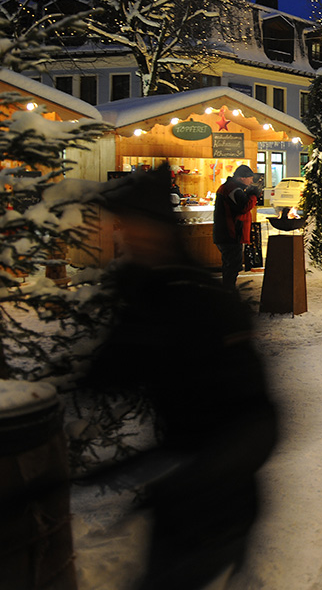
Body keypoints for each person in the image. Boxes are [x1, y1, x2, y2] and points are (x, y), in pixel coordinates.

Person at [86, 164, 278, 590]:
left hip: (218, 497)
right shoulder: (152, 293)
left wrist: (203, 475)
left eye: (132, 226)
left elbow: (261, 415)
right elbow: (106, 375)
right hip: (185, 490)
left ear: (157, 229)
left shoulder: (205, 302)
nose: (126, 237)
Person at [212, 164, 261, 292]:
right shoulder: (233, 189)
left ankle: (228, 291)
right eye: (250, 178)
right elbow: (244, 207)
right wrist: (254, 196)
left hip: (226, 234)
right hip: (230, 234)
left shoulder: (230, 188)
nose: (251, 181)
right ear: (242, 178)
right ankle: (229, 293)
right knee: (232, 267)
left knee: (229, 266)